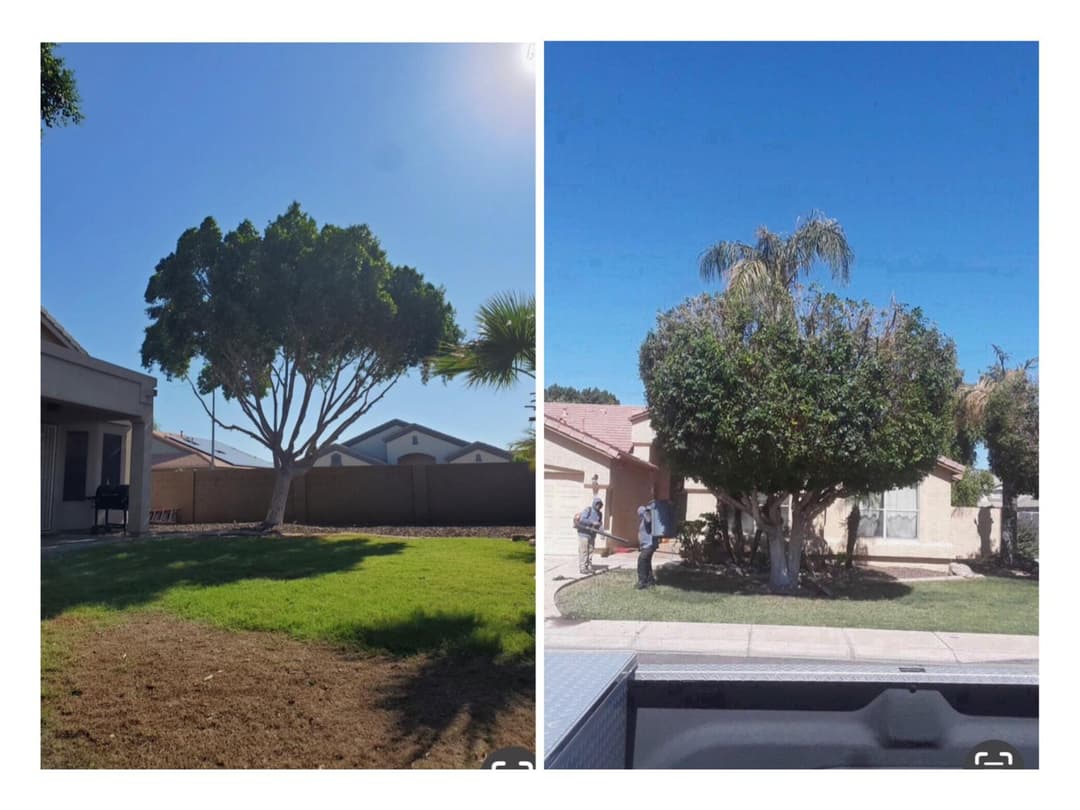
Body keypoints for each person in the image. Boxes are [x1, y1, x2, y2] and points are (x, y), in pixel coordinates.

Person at [575, 496, 603, 574]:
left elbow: (600, 524)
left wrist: (602, 533)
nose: (598, 506)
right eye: (597, 504)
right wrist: (592, 522)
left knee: (590, 551)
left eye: (600, 504)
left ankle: (589, 566)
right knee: (584, 551)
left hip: (592, 535)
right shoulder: (588, 510)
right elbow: (582, 519)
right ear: (594, 504)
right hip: (583, 534)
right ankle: (583, 567)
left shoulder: (600, 514)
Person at [636, 504, 657, 589]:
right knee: (647, 563)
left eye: (639, 513)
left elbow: (649, 520)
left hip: (649, 544)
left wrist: (645, 511)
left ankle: (642, 582)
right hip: (645, 545)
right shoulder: (642, 521)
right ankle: (650, 581)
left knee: (642, 560)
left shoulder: (647, 517)